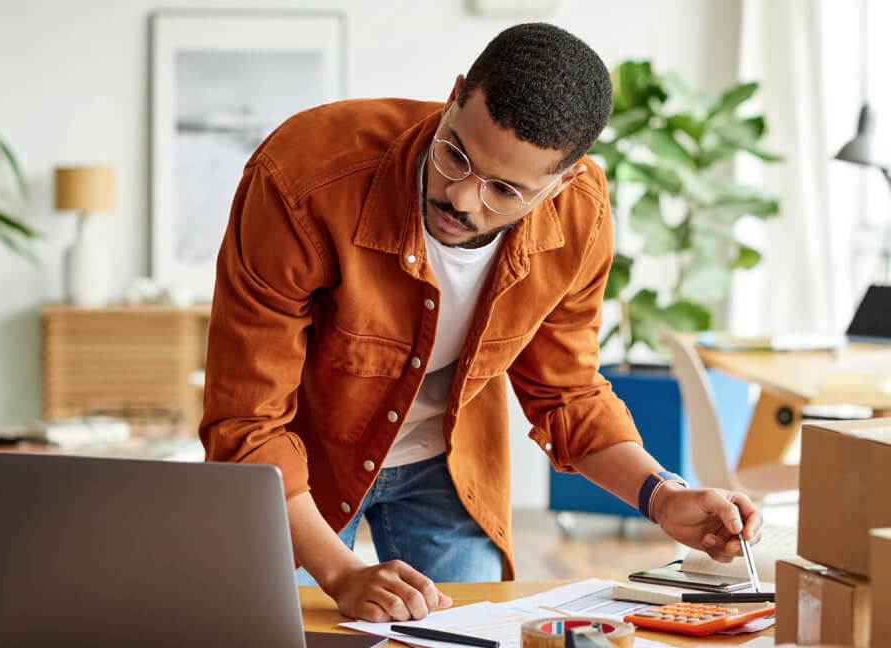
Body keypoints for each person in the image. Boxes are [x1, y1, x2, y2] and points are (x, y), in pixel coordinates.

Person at [199, 22, 762, 624]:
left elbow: (567, 393)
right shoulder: (303, 179)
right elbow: (246, 424)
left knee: (459, 638)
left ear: (562, 182)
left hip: (452, 468)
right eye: (455, 155)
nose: (463, 199)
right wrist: (341, 572)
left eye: (503, 189)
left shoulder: (581, 214)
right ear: (456, 96)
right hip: (298, 472)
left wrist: (663, 496)